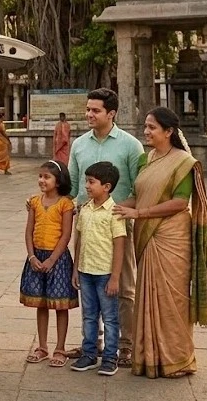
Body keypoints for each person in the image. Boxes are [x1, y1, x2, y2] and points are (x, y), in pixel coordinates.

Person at [112, 107, 207, 378]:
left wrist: (140, 214)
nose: (146, 131)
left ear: (169, 131)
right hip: (147, 236)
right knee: (148, 295)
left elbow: (181, 202)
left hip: (172, 238)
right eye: (145, 126)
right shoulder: (147, 159)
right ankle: (150, 358)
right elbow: (137, 195)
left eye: (152, 127)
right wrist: (106, 208)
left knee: (172, 300)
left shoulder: (184, 161)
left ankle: (178, 359)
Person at [67, 88, 143, 366]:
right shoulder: (79, 145)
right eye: (88, 109)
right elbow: (74, 189)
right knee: (88, 285)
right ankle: (93, 344)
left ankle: (126, 345)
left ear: (111, 113)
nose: (89, 114)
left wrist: (121, 211)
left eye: (95, 110)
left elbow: (140, 188)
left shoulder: (130, 145)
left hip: (119, 225)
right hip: (87, 226)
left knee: (123, 287)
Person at [70, 161, 127, 376]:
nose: (86, 186)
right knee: (89, 315)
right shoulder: (85, 209)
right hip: (86, 271)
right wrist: (76, 269)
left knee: (110, 317)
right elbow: (79, 239)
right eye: (86, 181)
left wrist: (115, 277)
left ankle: (111, 357)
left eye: (91, 182)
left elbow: (119, 245)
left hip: (105, 274)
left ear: (107, 186)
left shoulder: (114, 212)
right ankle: (89, 354)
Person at [20, 160, 78, 368]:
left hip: (58, 259)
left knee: (60, 305)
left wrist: (52, 259)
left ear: (58, 181)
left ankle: (60, 348)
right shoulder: (34, 202)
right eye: (40, 176)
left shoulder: (66, 204)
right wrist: (32, 257)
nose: (42, 180)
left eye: (47, 177)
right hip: (36, 257)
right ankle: (42, 346)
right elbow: (28, 231)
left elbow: (66, 235)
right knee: (41, 304)